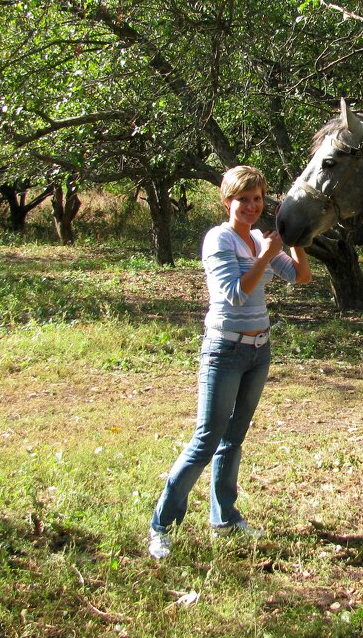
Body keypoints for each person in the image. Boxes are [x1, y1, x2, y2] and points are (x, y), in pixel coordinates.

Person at [148, 166, 312, 560]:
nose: (252, 207)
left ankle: (224, 518)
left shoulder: (258, 238)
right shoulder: (218, 239)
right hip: (224, 350)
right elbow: (236, 294)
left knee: (233, 439)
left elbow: (301, 277)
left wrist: (294, 242)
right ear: (227, 202)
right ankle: (161, 525)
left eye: (258, 199)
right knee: (206, 440)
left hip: (259, 351)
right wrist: (267, 254)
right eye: (244, 200)